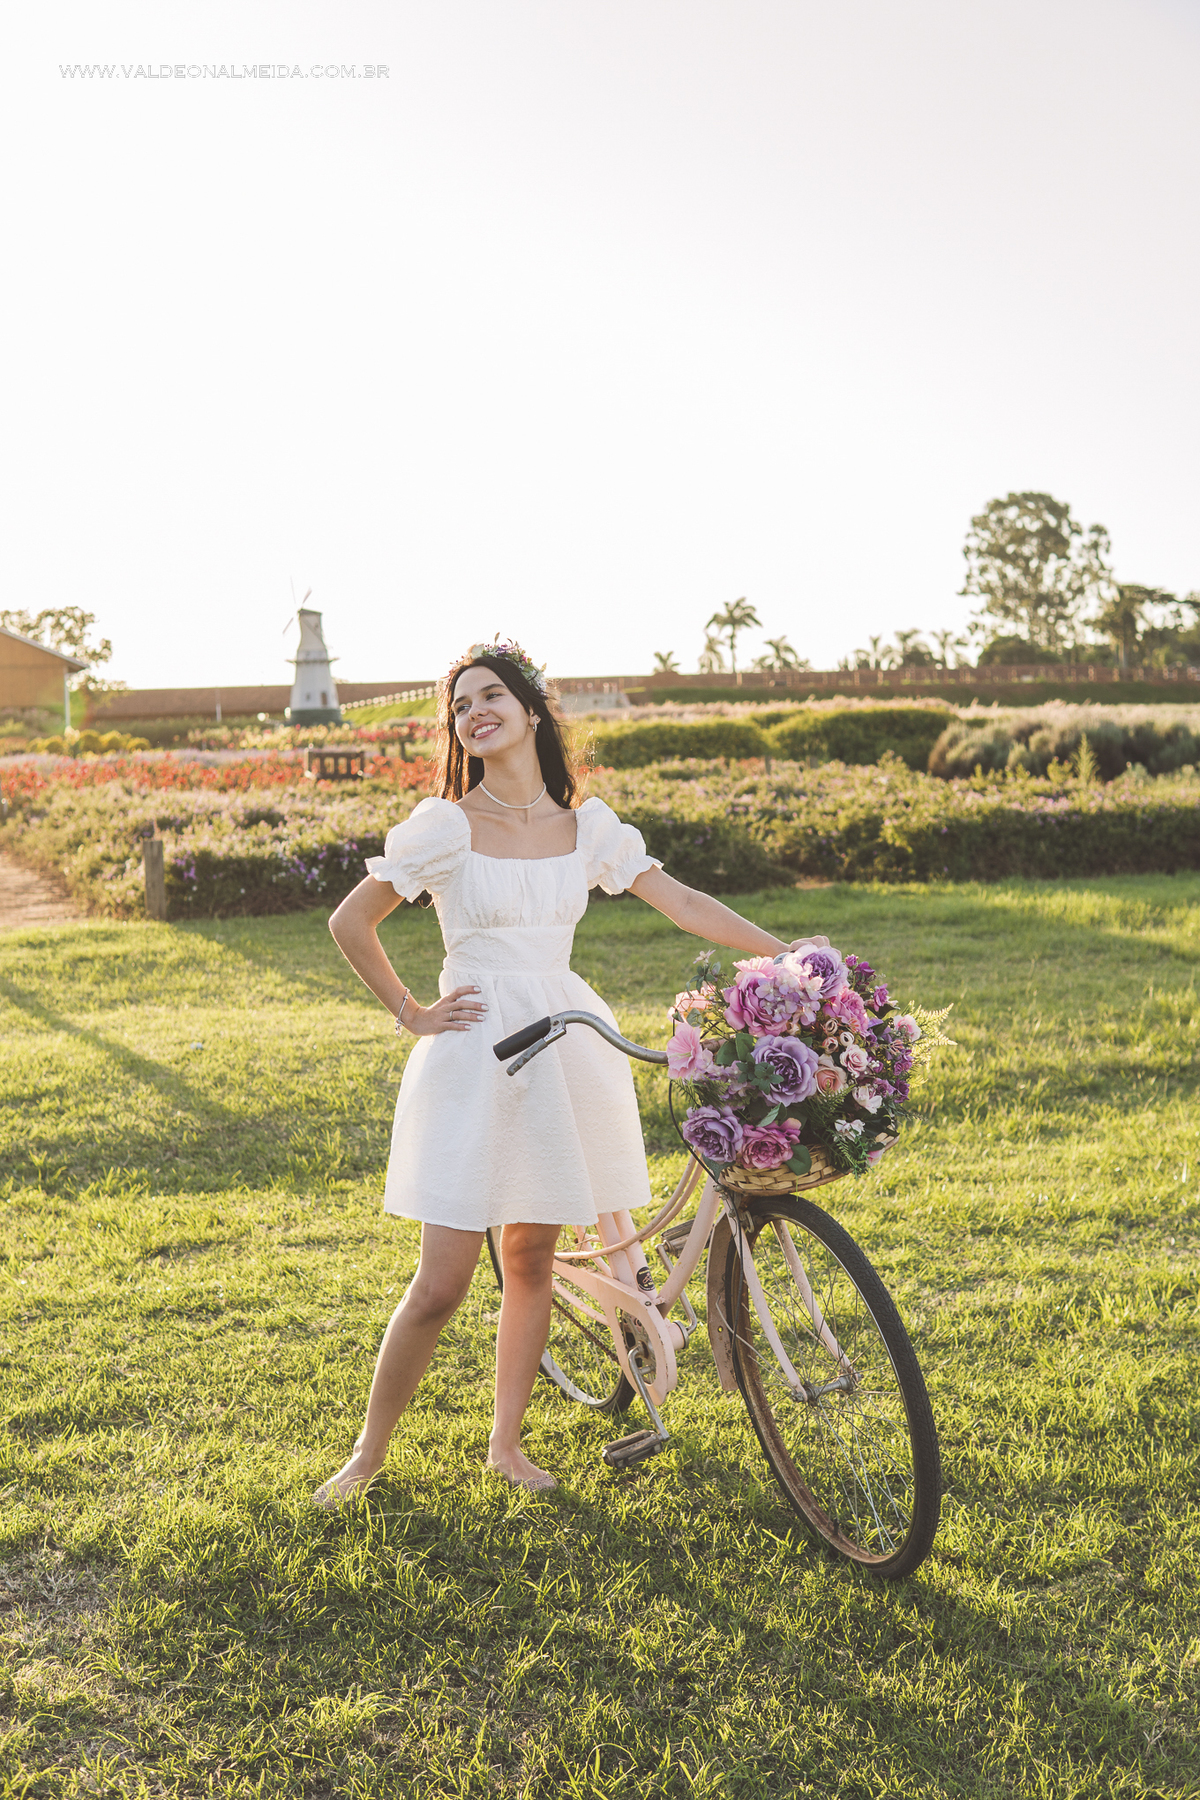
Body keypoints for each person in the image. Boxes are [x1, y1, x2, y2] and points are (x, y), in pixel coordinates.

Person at [314, 639, 826, 1503]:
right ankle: (367, 1455)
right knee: (440, 1282)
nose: (473, 713)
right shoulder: (445, 825)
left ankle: (505, 1446)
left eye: (489, 697)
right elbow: (350, 922)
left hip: (567, 1042)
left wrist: (793, 957)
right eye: (460, 705)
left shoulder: (586, 824)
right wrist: (414, 1013)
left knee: (532, 1259)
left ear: (531, 709)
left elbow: (686, 905)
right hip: (477, 1050)